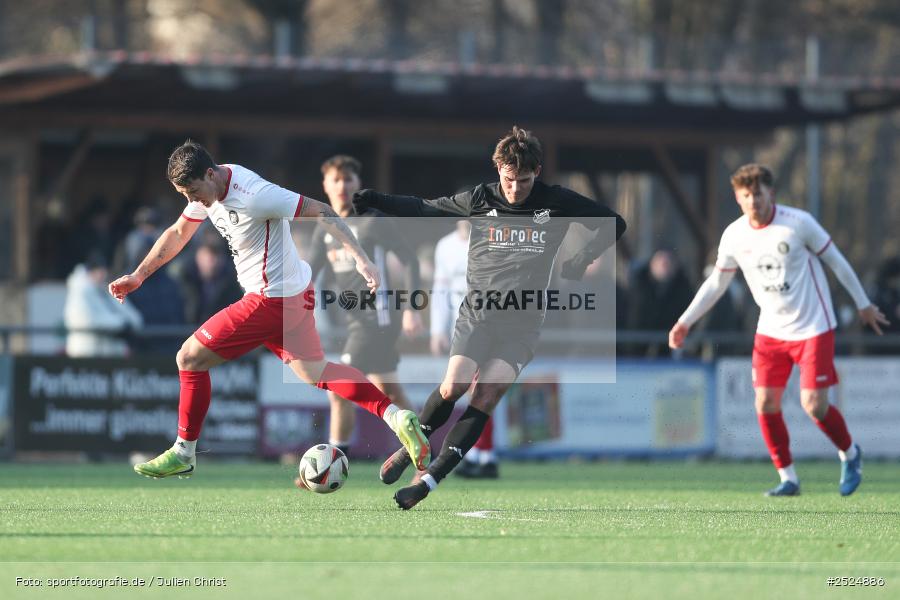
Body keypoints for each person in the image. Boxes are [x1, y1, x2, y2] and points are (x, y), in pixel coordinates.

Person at [108, 140, 430, 480]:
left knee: (188, 358)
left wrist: (361, 259)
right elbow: (178, 232)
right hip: (294, 295)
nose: (192, 201)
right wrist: (139, 275)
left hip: (269, 300)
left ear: (210, 174)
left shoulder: (256, 196)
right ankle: (396, 416)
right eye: (185, 195)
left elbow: (323, 210)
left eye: (193, 192)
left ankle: (184, 451)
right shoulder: (210, 189)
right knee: (316, 372)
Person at [353, 126, 626, 509]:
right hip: (478, 315)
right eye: (509, 180)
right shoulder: (480, 198)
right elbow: (426, 208)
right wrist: (377, 201)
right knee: (454, 386)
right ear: (498, 170)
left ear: (537, 172)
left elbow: (614, 222)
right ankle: (410, 446)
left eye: (524, 181)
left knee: (487, 394)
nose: (515, 189)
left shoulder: (556, 201)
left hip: (523, 324)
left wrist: (581, 259)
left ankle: (427, 482)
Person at [668, 163, 888, 497]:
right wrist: (685, 321)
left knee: (814, 405)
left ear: (771, 193)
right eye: (746, 195)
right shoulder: (734, 235)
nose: (753, 201)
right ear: (737, 197)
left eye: (758, 194)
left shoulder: (798, 224)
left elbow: (837, 261)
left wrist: (863, 303)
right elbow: (716, 283)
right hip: (771, 330)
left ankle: (850, 453)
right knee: (765, 403)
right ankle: (788, 478)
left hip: (813, 325)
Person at [303, 155, 423, 462]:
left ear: (358, 183)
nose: (342, 186)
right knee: (390, 391)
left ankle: (333, 462)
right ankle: (425, 450)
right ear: (325, 185)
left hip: (378, 317)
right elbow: (309, 274)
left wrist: (412, 308)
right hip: (356, 321)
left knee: (340, 389)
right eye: (336, 180)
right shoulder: (325, 226)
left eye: (348, 179)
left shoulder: (372, 220)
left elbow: (410, 260)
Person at [430, 221, 498, 479]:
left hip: (486, 324)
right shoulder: (445, 246)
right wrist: (438, 330)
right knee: (468, 390)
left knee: (480, 389)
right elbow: (441, 290)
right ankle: (481, 455)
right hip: (460, 329)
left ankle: (482, 456)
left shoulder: (493, 240)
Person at [65, 251, 143, 357]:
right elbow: (90, 321)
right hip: (85, 354)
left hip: (108, 354)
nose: (102, 274)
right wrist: (122, 324)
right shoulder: (80, 291)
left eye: (103, 270)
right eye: (98, 270)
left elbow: (132, 315)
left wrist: (128, 322)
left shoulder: (106, 289)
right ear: (89, 272)